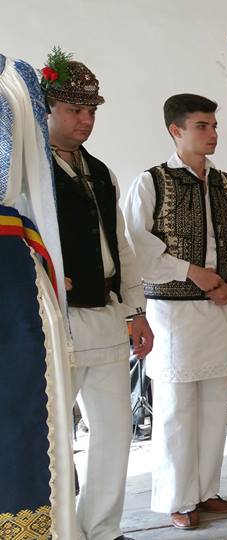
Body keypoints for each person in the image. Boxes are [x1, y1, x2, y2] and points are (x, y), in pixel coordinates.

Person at [123, 94, 227, 529]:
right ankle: (176, 498)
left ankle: (206, 490)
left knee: (215, 404)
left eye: (214, 125)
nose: (212, 133)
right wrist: (190, 272)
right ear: (176, 130)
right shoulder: (151, 182)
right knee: (175, 409)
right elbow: (136, 244)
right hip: (172, 312)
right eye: (202, 126)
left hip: (218, 308)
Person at [43, 50, 153, 540]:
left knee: (114, 430)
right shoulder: (26, 171)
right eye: (75, 110)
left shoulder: (102, 172)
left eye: (91, 111)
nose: (86, 120)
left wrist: (136, 311)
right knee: (53, 435)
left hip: (107, 313)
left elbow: (122, 247)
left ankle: (103, 527)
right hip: (56, 318)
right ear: (47, 109)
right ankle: (61, 530)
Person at [1, 51, 77, 539]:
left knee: (20, 416)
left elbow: (39, 192)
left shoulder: (15, 78)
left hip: (9, 276)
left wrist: (55, 273)